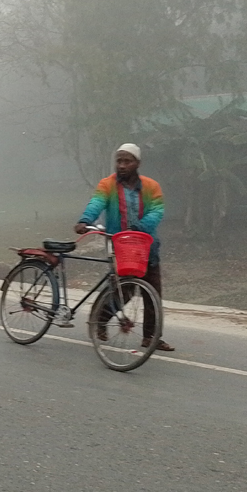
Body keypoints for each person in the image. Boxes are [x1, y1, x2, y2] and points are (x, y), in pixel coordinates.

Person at [74, 143, 173, 351]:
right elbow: (96, 203)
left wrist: (140, 226)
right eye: (119, 161)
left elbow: (157, 210)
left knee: (153, 293)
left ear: (137, 163)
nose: (122, 165)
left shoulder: (151, 186)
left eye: (127, 161)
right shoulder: (107, 185)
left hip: (147, 248)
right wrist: (85, 220)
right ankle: (100, 320)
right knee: (123, 290)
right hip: (120, 246)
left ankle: (151, 337)